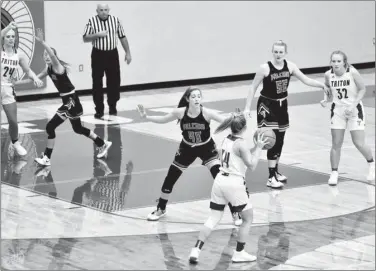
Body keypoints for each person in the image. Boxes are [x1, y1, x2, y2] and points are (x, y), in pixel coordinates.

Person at [137, 87, 243, 226]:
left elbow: (225, 121)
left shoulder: (206, 113)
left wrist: (235, 118)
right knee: (170, 177)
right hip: (187, 148)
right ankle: (161, 209)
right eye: (193, 96)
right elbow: (163, 119)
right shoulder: (180, 112)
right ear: (187, 99)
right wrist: (146, 117)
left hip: (206, 148)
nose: (197, 99)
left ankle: (235, 212)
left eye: (199, 96)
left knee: (220, 179)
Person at [15, 29, 112, 166]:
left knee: (50, 127)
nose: (47, 56)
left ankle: (47, 158)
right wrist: (14, 83)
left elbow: (53, 58)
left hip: (71, 100)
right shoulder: (48, 69)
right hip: (70, 101)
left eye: (49, 54)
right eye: (45, 55)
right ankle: (102, 143)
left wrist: (42, 42)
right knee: (78, 129)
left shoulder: (57, 66)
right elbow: (33, 79)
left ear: (53, 56)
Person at [244, 40, 330, 189]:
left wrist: (321, 85)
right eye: (275, 52)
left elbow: (306, 79)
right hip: (267, 105)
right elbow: (253, 87)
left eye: (280, 52)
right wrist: (247, 108)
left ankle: (275, 172)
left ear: (285, 53)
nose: (278, 54)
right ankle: (270, 177)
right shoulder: (265, 68)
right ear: (272, 52)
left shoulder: (290, 66)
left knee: (281, 139)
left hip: (282, 105)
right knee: (272, 137)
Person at [189, 111, 267, 264]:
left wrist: (253, 149)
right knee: (247, 218)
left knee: (213, 218)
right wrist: (258, 148)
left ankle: (196, 251)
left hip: (219, 180)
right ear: (244, 127)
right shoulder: (241, 144)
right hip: (233, 183)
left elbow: (238, 155)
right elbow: (251, 165)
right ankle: (239, 253)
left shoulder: (226, 139)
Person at [320, 50, 375, 185]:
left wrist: (353, 105)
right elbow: (327, 88)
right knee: (336, 143)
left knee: (359, 143)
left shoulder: (352, 72)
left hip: (354, 109)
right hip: (338, 110)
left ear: (344, 62)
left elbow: (362, 89)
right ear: (330, 62)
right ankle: (334, 173)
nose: (336, 63)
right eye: (333, 61)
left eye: (339, 61)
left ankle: (372, 164)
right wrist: (325, 99)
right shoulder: (328, 74)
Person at [82, 3, 132, 119]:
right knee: (97, 82)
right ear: (97, 11)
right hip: (98, 54)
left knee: (114, 81)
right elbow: (85, 38)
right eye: (101, 10)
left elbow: (122, 37)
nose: (104, 12)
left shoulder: (115, 20)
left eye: (105, 10)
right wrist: (97, 35)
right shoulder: (92, 20)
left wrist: (128, 52)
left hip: (112, 54)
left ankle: (112, 106)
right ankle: (99, 109)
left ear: (109, 10)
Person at [1, 22, 43, 156]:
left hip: (8, 89)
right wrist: (8, 27)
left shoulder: (19, 55)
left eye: (13, 36)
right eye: (8, 36)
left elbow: (28, 70)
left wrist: (35, 78)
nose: (11, 39)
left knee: (13, 120)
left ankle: (15, 143)